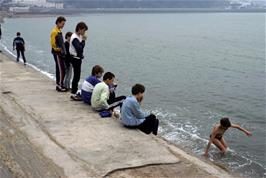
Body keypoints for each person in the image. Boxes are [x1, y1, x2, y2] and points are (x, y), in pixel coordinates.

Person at [70, 22, 88, 96]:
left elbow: (80, 49)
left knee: (77, 75)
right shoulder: (74, 37)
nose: (84, 32)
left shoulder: (79, 36)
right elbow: (79, 49)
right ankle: (74, 91)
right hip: (75, 58)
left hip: (77, 57)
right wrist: (83, 40)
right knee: (76, 76)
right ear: (79, 29)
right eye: (83, 30)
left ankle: (74, 90)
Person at [50, 16, 67, 92]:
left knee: (60, 69)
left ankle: (59, 84)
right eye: (62, 24)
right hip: (57, 53)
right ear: (58, 22)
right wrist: (59, 50)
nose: (63, 25)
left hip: (60, 53)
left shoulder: (59, 31)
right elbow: (53, 44)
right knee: (61, 69)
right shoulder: (54, 32)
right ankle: (59, 85)